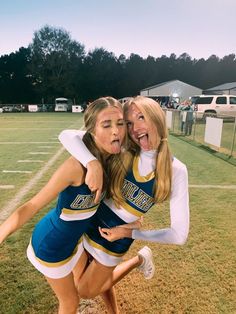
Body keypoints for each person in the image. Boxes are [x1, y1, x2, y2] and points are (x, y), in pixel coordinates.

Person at [58, 96, 190, 313]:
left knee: (85, 290)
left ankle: (139, 259)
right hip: (88, 220)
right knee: (87, 277)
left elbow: (179, 234)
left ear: (157, 118)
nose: (136, 128)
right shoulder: (125, 148)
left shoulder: (176, 170)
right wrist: (92, 163)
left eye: (141, 117)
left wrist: (129, 234)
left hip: (116, 237)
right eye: (128, 123)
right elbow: (68, 135)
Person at [0, 97, 127, 314]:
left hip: (76, 241)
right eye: (106, 125)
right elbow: (32, 205)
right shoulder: (74, 168)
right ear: (92, 130)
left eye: (120, 123)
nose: (116, 131)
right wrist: (1, 233)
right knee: (70, 302)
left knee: (88, 281)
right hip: (51, 246)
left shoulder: (114, 160)